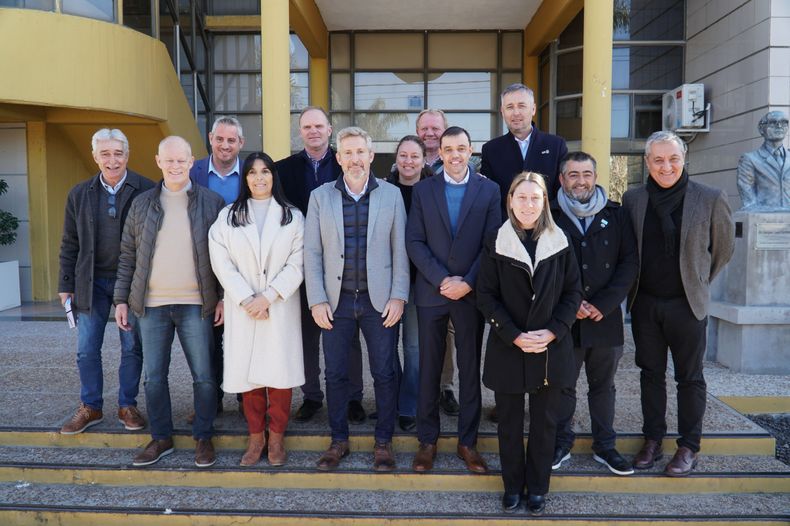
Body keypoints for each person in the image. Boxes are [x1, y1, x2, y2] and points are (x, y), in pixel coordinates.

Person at [623, 131, 734, 477]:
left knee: (690, 378)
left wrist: (697, 282)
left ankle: (688, 446)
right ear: (647, 163)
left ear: (684, 158)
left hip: (687, 305)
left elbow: (723, 249)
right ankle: (653, 440)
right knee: (650, 375)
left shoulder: (710, 198)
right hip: (645, 303)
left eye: (672, 159)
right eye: (658, 160)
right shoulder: (633, 199)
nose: (666, 166)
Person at [114, 136, 225, 468]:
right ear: (158, 161)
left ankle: (203, 437)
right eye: (169, 160)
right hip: (151, 305)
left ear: (192, 162)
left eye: (182, 160)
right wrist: (121, 299)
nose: (176, 166)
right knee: (154, 376)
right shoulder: (142, 203)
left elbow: (223, 257)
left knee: (204, 376)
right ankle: (161, 437)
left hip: (196, 303)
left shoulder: (212, 201)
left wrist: (222, 298)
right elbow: (127, 255)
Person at [304, 127, 409, 472]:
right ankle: (339, 440)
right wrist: (317, 299)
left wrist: (398, 296)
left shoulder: (391, 195)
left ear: (371, 154)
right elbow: (312, 253)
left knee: (384, 372)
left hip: (380, 302)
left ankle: (383, 442)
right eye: (347, 153)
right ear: (338, 158)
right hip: (337, 303)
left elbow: (400, 251)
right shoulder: (320, 197)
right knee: (335, 374)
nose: (354, 159)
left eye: (360, 152)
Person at [477, 172, 581, 515]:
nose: (528, 204)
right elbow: (486, 296)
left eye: (535, 198)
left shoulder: (561, 240)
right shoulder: (496, 240)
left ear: (544, 202)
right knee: (508, 423)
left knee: (544, 423)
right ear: (510, 200)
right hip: (510, 345)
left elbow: (572, 294)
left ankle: (537, 488)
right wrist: (514, 334)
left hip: (550, 347)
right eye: (521, 197)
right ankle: (512, 486)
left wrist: (552, 332)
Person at [406, 126, 501, 474]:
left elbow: (492, 242)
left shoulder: (489, 189)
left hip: (470, 294)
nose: (456, 154)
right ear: (440, 152)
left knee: (469, 370)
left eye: (462, 148)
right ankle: (427, 441)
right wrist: (442, 278)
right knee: (429, 369)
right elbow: (414, 241)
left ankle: (467, 442)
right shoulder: (423, 190)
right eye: (449, 149)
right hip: (433, 291)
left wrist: (468, 282)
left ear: (470, 149)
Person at [209, 152, 305, 467]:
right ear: (245, 178)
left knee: (278, 374)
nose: (259, 178)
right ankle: (255, 437)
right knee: (249, 376)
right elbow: (220, 262)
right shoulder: (227, 216)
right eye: (252, 172)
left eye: (265, 171)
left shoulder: (293, 216)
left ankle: (276, 437)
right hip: (244, 308)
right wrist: (247, 298)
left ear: (274, 176)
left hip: (278, 306)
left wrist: (269, 296)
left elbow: (298, 262)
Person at [58, 128, 155, 435]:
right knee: (87, 348)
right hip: (91, 282)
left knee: (132, 347)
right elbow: (69, 242)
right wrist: (65, 284)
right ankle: (91, 406)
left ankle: (128, 405)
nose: (112, 160)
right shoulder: (79, 193)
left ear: (127, 155)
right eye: (105, 154)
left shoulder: (147, 190)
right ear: (95, 156)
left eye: (118, 153)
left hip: (132, 282)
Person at [549, 152, 638, 476]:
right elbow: (544, 267)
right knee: (563, 386)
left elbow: (629, 263)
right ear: (562, 179)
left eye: (587, 174)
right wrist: (571, 306)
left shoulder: (616, 214)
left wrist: (604, 304)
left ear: (595, 176)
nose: (581, 181)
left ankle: (605, 446)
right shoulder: (550, 214)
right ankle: (561, 442)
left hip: (605, 317)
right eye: (573, 174)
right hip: (565, 319)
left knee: (603, 386)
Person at [276, 106, 366, 425]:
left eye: (319, 125)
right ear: (300, 132)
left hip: (344, 266)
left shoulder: (347, 164)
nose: (313, 131)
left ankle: (353, 397)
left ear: (330, 129)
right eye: (306, 126)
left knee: (346, 336)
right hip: (299, 263)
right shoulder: (282, 170)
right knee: (307, 336)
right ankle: (312, 396)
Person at [190, 115, 246, 418]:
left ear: (241, 144)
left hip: (243, 270)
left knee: (240, 337)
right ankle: (210, 402)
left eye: (231, 140)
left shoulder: (253, 172)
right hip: (200, 269)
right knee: (207, 341)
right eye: (220, 139)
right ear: (211, 138)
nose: (225, 145)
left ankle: (244, 399)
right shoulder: (192, 171)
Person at [387, 135, 435, 432]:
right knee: (386, 347)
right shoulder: (383, 189)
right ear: (396, 158)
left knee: (414, 348)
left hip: (421, 283)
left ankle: (409, 404)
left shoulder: (432, 191)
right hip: (388, 282)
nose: (408, 161)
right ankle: (390, 398)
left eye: (414, 156)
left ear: (423, 159)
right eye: (403, 156)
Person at [481, 83, 568, 218]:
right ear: (502, 112)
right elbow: (491, 198)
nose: (516, 112)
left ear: (533, 109)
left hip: (547, 227)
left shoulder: (556, 145)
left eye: (521, 106)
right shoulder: (491, 150)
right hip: (507, 229)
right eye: (510, 107)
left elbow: (562, 192)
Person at [736, 110, 789, 210]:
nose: (779, 126)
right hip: (763, 218)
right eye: (773, 122)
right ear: (761, 129)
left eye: (784, 122)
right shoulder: (750, 159)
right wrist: (755, 209)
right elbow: (746, 191)